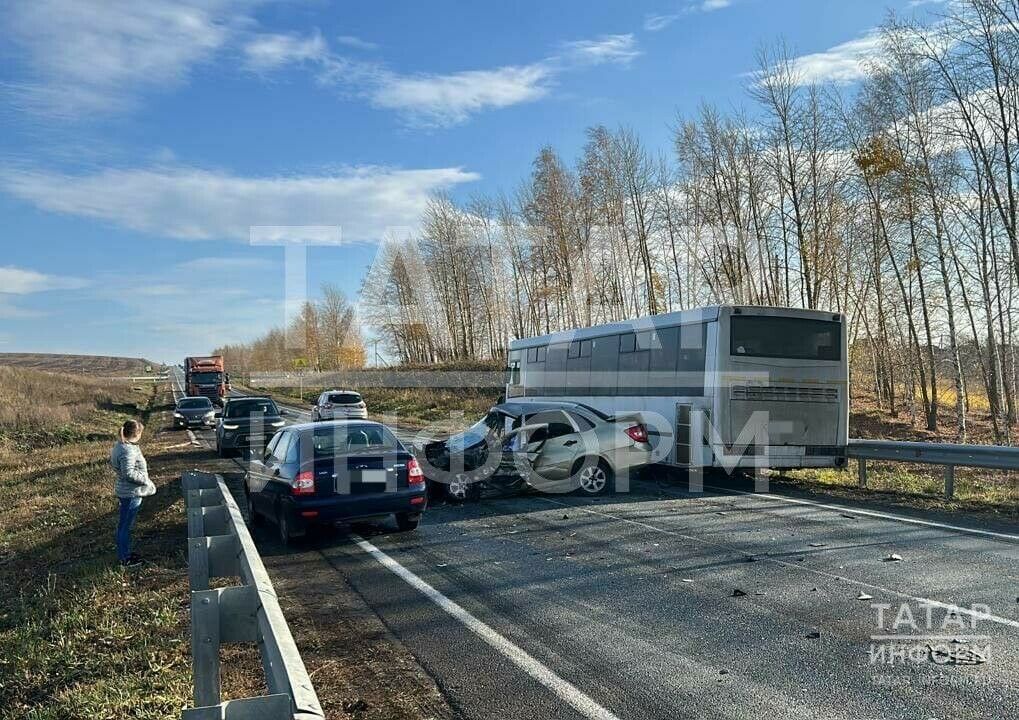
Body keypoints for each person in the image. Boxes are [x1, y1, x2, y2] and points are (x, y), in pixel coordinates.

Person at [111, 419, 155, 566]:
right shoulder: (127, 450)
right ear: (137, 434)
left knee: (124, 525)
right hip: (131, 493)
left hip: (127, 491)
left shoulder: (121, 446)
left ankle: (126, 553)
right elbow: (128, 473)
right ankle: (125, 559)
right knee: (125, 526)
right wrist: (145, 480)